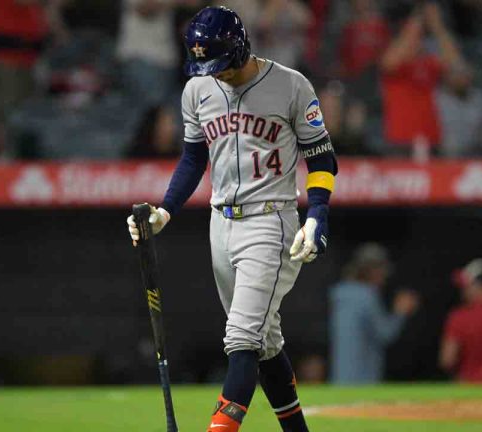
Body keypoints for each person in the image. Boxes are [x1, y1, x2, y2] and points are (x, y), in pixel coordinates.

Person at [126, 7, 338, 432]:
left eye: (219, 63)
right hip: (219, 224)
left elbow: (321, 157)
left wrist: (317, 214)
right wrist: (166, 209)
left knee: (241, 339)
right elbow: (192, 158)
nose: (214, 73)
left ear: (240, 48)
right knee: (265, 343)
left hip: (271, 222)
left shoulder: (291, 85)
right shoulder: (197, 90)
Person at [379, 2, 466, 156]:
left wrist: (438, 28)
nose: (415, 40)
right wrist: (415, 23)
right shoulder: (395, 65)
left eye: (420, 35)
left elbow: (458, 70)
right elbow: (389, 63)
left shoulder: (429, 63)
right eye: (411, 35)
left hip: (431, 140)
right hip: (400, 142)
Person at [0, 0, 69, 158]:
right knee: (7, 112)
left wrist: (56, 26)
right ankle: (2, 158)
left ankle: (23, 157)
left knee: (30, 113)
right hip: (7, 59)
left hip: (31, 58)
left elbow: (45, 18)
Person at [329, 243, 419, 384]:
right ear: (370, 271)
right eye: (381, 270)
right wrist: (401, 311)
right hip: (363, 380)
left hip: (340, 378)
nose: (384, 277)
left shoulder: (339, 294)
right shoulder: (367, 296)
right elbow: (385, 334)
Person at [436, 67, 482, 157]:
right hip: (445, 154)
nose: (460, 79)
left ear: (470, 77)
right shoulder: (437, 99)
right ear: (447, 77)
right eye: (455, 75)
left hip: (477, 153)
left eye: (464, 75)